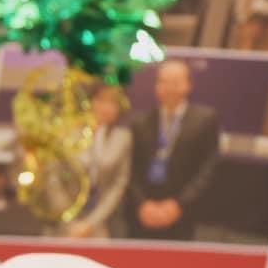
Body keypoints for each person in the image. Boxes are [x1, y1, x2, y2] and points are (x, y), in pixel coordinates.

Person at [127, 60, 220, 241]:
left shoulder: (204, 119)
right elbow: (130, 168)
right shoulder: (140, 121)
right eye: (164, 82)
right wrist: (142, 203)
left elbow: (208, 167)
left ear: (189, 85)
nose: (169, 88)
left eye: (176, 82)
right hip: (143, 212)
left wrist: (178, 204)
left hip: (183, 212)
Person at [58, 82, 132, 240]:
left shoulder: (123, 138)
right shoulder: (67, 133)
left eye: (112, 102)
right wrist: (68, 218)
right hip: (63, 221)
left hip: (100, 224)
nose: (105, 107)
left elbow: (119, 183)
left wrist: (91, 223)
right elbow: (54, 179)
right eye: (100, 100)